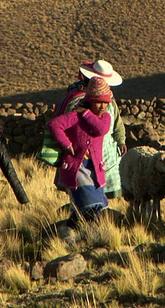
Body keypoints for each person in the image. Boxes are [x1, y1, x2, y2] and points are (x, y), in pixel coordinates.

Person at [48, 77, 112, 240]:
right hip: (77, 168)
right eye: (98, 102)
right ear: (90, 100)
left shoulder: (105, 118)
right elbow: (54, 125)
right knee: (88, 203)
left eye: (105, 103)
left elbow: (100, 129)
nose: (102, 106)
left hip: (95, 169)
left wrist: (86, 113)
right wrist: (67, 144)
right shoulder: (74, 118)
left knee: (89, 207)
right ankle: (92, 238)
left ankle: (68, 234)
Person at [55, 60, 127, 199]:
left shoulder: (110, 102)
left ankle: (102, 219)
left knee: (101, 197)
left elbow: (117, 123)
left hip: (107, 155)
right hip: (84, 156)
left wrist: (121, 140)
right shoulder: (77, 102)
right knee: (85, 195)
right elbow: (64, 126)